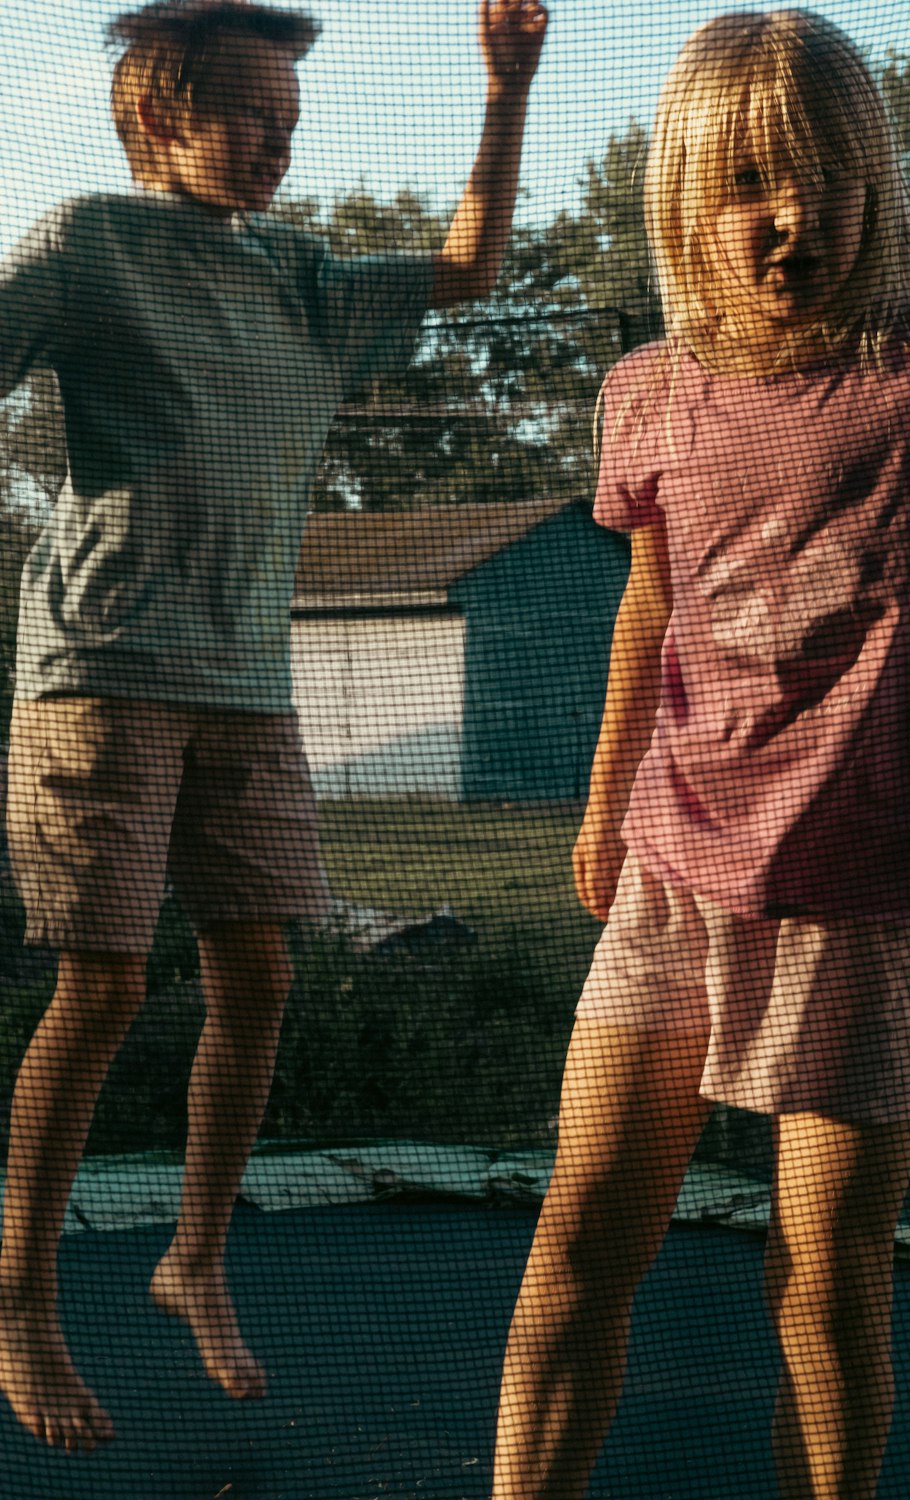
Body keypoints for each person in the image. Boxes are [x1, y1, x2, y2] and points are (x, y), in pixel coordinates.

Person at [0, 0, 547, 1454]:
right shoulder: (86, 245)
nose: (277, 141)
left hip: (248, 687)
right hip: (101, 676)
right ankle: (18, 1299)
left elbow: (465, 265)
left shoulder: (302, 276)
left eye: (292, 119)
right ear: (156, 112)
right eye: (249, 112)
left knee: (261, 971)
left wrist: (507, 89)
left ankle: (194, 1253)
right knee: (105, 988)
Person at [491, 11, 910, 1499]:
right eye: (751, 185)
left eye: (826, 177)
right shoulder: (649, 390)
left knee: (827, 1283)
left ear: (874, 182)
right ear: (685, 203)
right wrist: (601, 805)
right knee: (581, 1233)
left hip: (864, 890)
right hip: (673, 870)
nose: (793, 218)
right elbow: (652, 600)